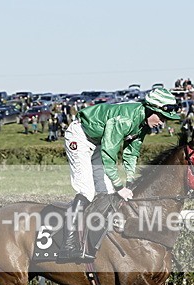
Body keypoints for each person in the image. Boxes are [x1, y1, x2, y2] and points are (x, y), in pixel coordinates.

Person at [59, 87, 180, 261]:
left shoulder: (142, 124)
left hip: (97, 141)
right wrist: (119, 186)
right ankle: (68, 244)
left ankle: (92, 237)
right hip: (80, 137)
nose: (162, 122)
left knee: (106, 192)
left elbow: (131, 154)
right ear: (151, 109)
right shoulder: (125, 120)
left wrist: (129, 181)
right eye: (161, 117)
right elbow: (109, 155)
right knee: (87, 191)